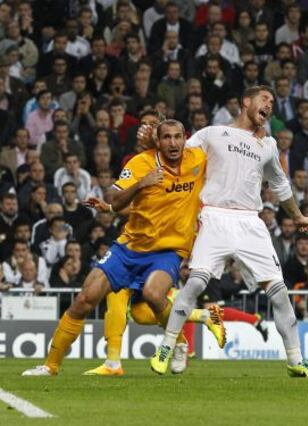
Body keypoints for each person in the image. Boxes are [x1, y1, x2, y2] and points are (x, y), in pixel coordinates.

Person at [22, 119, 225, 377]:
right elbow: (115, 201)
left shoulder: (198, 159)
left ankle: (177, 345)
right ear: (158, 142)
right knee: (85, 299)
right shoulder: (140, 163)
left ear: (185, 138)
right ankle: (50, 366)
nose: (173, 143)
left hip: (168, 251)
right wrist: (141, 184)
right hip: (129, 248)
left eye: (177, 137)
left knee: (153, 294)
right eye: (167, 138)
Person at [151, 85, 308, 378]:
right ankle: (166, 346)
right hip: (214, 216)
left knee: (280, 294)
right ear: (246, 101)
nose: (269, 105)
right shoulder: (212, 133)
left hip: (250, 222)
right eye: (264, 99)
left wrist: (296, 216)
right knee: (194, 284)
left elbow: (280, 185)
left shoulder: (267, 145)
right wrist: (151, 143)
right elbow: (176, 157)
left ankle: (296, 360)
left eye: (272, 101)